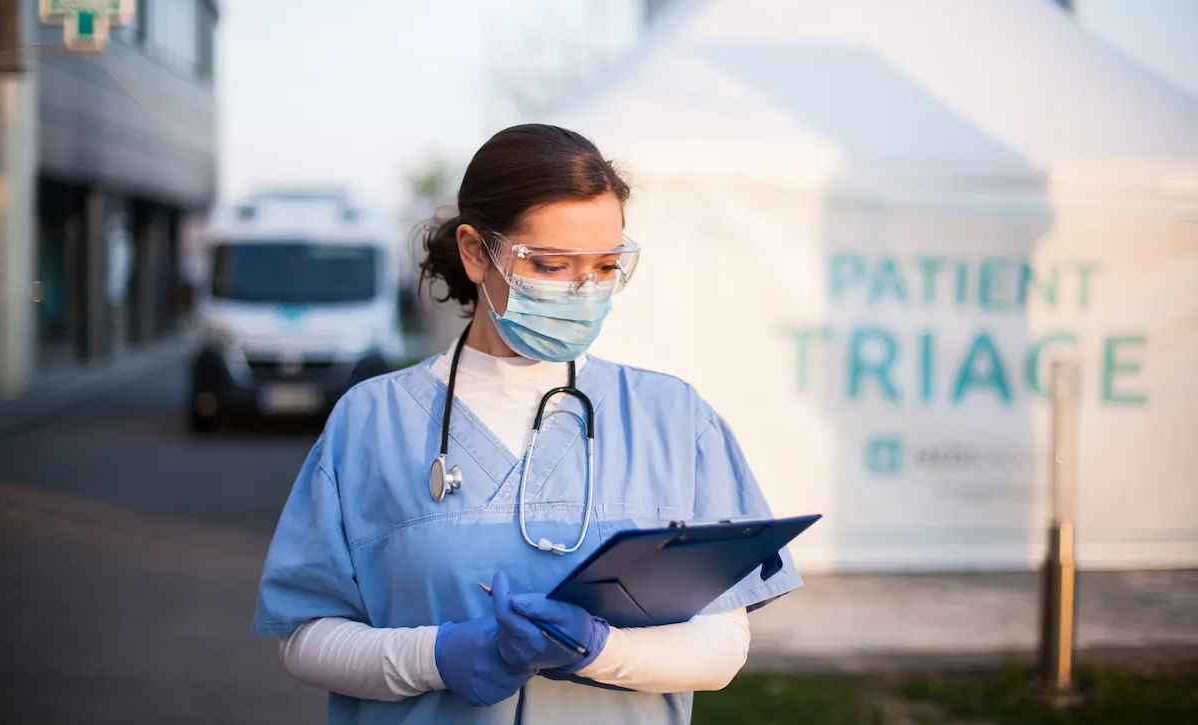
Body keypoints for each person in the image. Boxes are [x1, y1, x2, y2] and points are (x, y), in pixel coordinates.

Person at [252, 123, 804, 724]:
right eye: (550, 264)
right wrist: (437, 657)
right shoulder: (371, 422)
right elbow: (306, 639)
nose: (582, 290)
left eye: (603, 267)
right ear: (473, 252)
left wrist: (598, 650)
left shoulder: (675, 420)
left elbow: (722, 648)